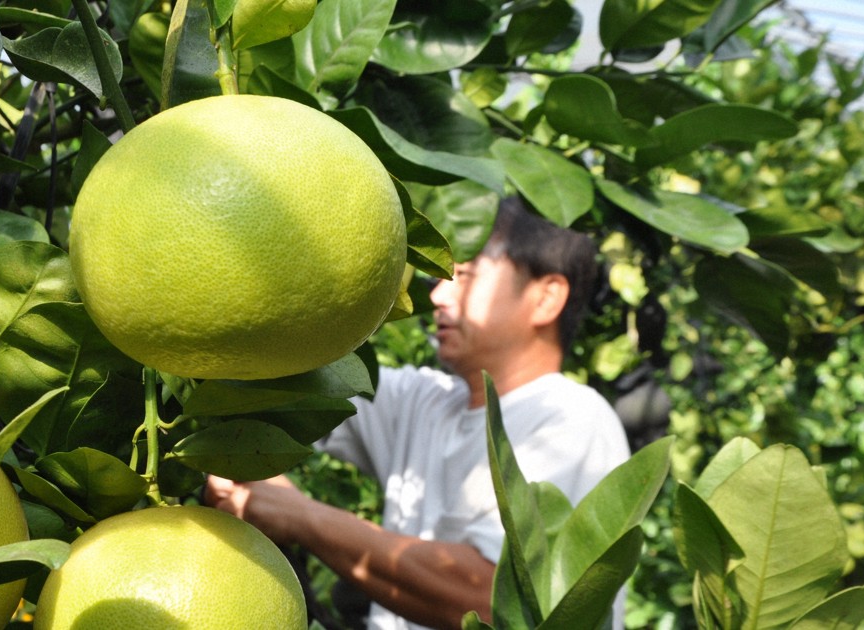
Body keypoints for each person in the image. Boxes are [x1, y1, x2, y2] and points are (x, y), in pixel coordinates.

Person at [205, 196, 631, 630]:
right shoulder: (426, 401)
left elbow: (491, 602)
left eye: (464, 275)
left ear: (546, 297)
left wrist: (301, 515)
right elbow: (291, 385)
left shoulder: (569, 420)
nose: (440, 295)